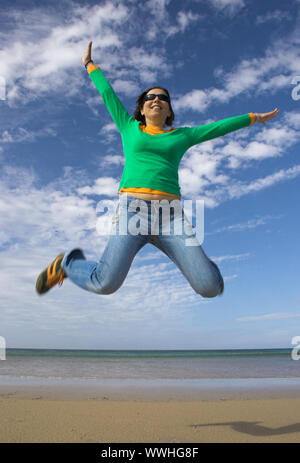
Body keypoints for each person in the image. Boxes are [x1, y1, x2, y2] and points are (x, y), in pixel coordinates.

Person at [35, 41, 279, 298]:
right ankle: (67, 264)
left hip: (170, 217)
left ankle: (203, 268)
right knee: (105, 283)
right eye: (150, 97)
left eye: (163, 98)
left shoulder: (182, 136)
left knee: (209, 287)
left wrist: (253, 117)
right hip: (132, 212)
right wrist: (89, 64)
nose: (156, 100)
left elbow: (217, 127)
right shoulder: (129, 128)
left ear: (169, 110)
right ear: (141, 108)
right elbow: (108, 94)